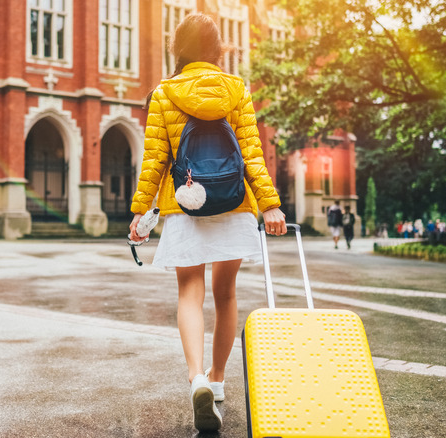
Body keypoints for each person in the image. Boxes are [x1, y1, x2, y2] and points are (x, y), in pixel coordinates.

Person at [128, 13, 286, 433]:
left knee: (189, 293)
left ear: (177, 50)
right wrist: (270, 204)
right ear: (219, 51)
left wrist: (141, 211)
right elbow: (253, 153)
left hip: (184, 205)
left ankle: (196, 376)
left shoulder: (163, 93)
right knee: (227, 295)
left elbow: (154, 160)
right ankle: (216, 382)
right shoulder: (237, 90)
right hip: (234, 204)